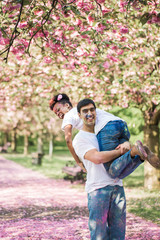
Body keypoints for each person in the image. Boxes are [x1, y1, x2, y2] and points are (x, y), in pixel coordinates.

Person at [72, 99, 159, 240]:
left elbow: (124, 144)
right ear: (79, 115)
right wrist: (120, 152)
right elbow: (97, 158)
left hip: (117, 187)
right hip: (98, 190)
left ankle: (140, 156)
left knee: (118, 234)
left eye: (92, 110)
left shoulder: (104, 132)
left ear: (96, 111)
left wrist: (125, 143)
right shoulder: (80, 139)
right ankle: (138, 156)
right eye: (85, 111)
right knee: (99, 235)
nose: (89, 114)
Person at [49, 94, 160, 177]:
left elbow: (68, 140)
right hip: (121, 124)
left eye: (58, 110)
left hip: (107, 128)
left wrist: (78, 161)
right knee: (119, 168)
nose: (58, 114)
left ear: (67, 105)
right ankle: (141, 153)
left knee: (112, 172)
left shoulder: (69, 115)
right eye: (56, 113)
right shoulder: (82, 112)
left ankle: (135, 151)